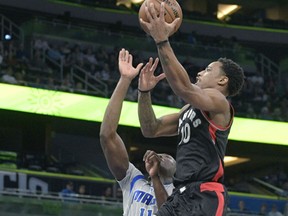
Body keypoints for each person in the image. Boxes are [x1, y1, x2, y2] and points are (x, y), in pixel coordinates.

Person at [138, 2, 245, 216]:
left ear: (222, 80)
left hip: (206, 193)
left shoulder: (220, 102)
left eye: (207, 70)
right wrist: (144, 92)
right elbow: (151, 129)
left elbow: (184, 88)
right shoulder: (189, 110)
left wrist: (162, 40)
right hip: (180, 194)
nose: (199, 73)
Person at [99, 48, 176, 216]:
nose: (162, 156)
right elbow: (107, 135)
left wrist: (155, 177)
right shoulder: (133, 180)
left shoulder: (181, 194)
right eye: (161, 154)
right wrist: (125, 80)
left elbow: (168, 213)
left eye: (169, 156)